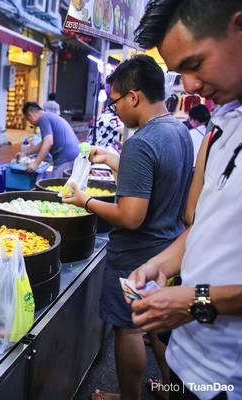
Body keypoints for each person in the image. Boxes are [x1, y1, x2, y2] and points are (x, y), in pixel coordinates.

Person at [127, 1, 242, 399]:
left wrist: (195, 302)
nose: (190, 87)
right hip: (187, 358)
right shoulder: (225, 124)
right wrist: (161, 264)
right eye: (180, 73)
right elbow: (203, 223)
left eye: (195, 64)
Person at [63, 55, 194, 400]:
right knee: (157, 328)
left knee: (128, 328)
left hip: (135, 255)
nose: (115, 108)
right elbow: (158, 185)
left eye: (116, 100)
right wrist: (115, 160)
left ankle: (128, 397)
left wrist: (85, 202)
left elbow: (131, 215)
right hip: (168, 246)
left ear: (133, 96)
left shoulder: (141, 141)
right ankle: (169, 390)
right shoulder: (178, 130)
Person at [22, 102, 80, 177]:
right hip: (74, 156)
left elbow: (48, 142)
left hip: (66, 159)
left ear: (30, 115)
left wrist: (36, 163)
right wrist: (26, 153)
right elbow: (43, 142)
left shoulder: (43, 118)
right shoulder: (49, 116)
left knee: (57, 187)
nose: (30, 123)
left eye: (28, 120)